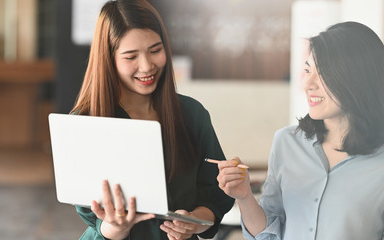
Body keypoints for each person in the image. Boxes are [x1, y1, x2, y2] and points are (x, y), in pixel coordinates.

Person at [70, 0, 234, 239]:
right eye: (131, 57)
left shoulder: (192, 114)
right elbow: (93, 216)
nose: (147, 66)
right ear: (109, 59)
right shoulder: (86, 122)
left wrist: (194, 223)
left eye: (155, 50)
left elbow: (215, 196)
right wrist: (117, 226)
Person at [215, 21, 384, 240]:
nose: (308, 84)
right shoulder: (286, 142)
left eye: (323, 73)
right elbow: (267, 235)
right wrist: (245, 197)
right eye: (307, 70)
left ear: (356, 79)